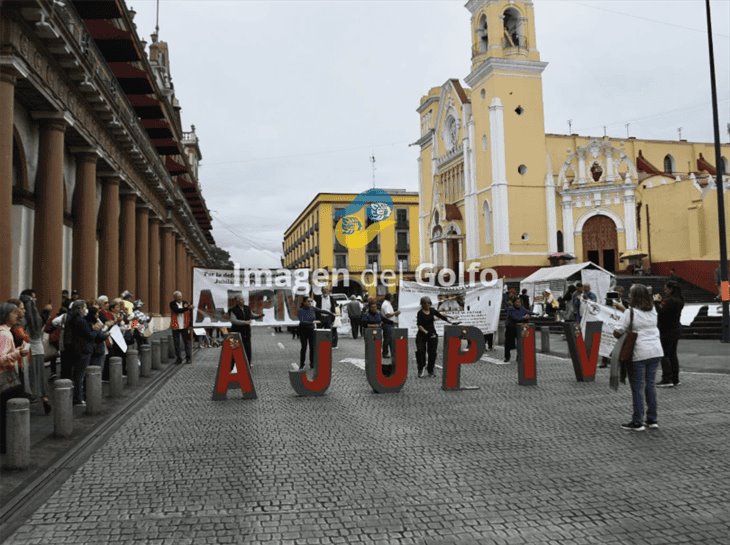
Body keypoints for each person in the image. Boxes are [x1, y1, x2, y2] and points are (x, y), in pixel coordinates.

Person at [613, 284, 664, 431]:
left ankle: (637, 421)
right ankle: (652, 419)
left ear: (634, 296)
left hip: (639, 352)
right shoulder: (653, 310)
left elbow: (618, 330)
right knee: (650, 385)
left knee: (637, 387)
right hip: (655, 350)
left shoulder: (630, 312)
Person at [1, 303, 32, 454]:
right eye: (14, 313)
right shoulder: (4, 334)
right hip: (4, 377)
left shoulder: (6, 332)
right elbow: (1, 358)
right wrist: (18, 353)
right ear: (6, 316)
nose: (17, 316)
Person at [65, 300, 108, 406]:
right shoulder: (80, 321)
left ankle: (78, 396)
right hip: (83, 349)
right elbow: (89, 335)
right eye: (85, 307)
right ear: (80, 308)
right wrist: (97, 330)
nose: (86, 310)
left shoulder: (74, 319)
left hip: (78, 349)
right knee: (80, 375)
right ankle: (78, 398)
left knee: (78, 374)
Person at [20, 291, 50, 414]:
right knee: (40, 376)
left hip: (28, 350)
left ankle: (30, 396)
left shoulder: (24, 320)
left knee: (28, 376)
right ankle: (44, 397)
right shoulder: (37, 318)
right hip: (39, 349)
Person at [415, 296, 454, 378]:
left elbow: (441, 316)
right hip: (422, 334)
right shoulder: (420, 313)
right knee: (420, 351)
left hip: (432, 334)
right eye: (425, 304)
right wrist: (426, 332)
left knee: (432, 353)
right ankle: (421, 368)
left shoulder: (432, 310)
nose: (427, 305)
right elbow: (419, 325)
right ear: (422, 304)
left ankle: (430, 370)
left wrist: (449, 321)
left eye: (429, 303)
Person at [655, 280, 685, 388]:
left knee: (664, 354)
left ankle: (667, 378)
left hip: (666, 330)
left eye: (666, 288)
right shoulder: (680, 300)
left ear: (671, 289)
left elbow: (661, 313)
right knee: (672, 354)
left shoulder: (669, 300)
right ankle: (675, 378)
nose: (664, 290)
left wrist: (656, 302)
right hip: (676, 328)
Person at [297, 297, 333, 369]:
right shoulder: (301, 310)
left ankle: (312, 363)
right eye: (308, 301)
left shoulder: (313, 308)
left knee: (312, 347)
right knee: (304, 347)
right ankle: (302, 364)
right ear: (304, 302)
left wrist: (331, 313)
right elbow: (302, 321)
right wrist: (312, 322)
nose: (310, 303)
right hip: (303, 330)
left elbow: (322, 311)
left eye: (311, 301)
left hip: (311, 330)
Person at [228, 295, 262, 368]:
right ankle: (233, 366)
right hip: (235, 333)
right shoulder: (233, 310)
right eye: (241, 300)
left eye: (243, 299)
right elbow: (233, 320)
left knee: (247, 349)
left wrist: (259, 315)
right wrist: (245, 322)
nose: (243, 301)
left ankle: (247, 364)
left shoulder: (247, 308)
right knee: (234, 349)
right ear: (237, 301)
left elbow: (252, 315)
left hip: (246, 333)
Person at [504, 297, 530, 363]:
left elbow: (527, 312)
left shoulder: (522, 308)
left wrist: (529, 315)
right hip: (510, 328)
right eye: (517, 302)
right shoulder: (511, 309)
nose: (518, 304)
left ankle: (519, 357)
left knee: (520, 343)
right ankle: (507, 357)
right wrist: (523, 317)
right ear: (514, 302)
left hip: (519, 328)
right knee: (508, 343)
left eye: (519, 302)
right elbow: (515, 318)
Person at [169, 291, 193, 364]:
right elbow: (177, 311)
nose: (180, 298)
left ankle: (188, 358)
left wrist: (191, 308)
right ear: (175, 297)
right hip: (176, 326)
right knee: (177, 343)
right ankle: (179, 359)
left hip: (185, 325)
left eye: (181, 296)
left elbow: (190, 313)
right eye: (178, 297)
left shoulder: (185, 303)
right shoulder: (172, 304)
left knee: (187, 342)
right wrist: (187, 308)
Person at [380, 293, 400, 359]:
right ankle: (385, 353)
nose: (393, 299)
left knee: (391, 339)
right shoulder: (386, 304)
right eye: (392, 297)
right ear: (390, 298)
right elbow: (387, 315)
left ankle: (392, 352)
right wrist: (395, 313)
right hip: (387, 324)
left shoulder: (388, 303)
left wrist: (395, 315)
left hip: (389, 323)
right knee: (387, 339)